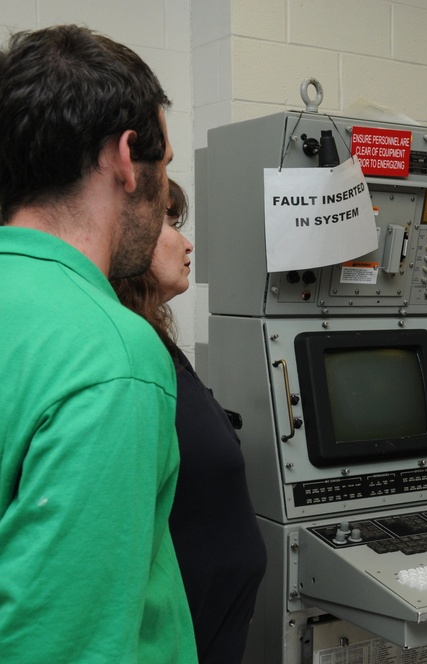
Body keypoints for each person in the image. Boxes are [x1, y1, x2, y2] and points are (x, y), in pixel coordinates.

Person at [0, 25, 197, 663]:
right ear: (123, 156)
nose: (165, 195)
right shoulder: (114, 356)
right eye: (162, 170)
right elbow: (67, 643)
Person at [112, 180, 268, 663]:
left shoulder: (155, 341)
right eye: (171, 224)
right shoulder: (124, 354)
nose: (186, 242)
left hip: (211, 626)